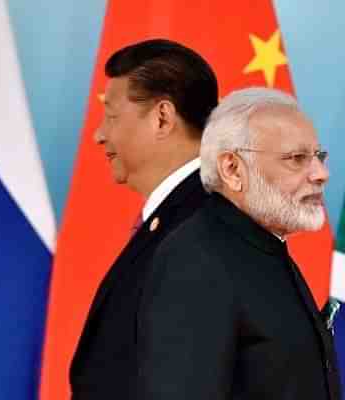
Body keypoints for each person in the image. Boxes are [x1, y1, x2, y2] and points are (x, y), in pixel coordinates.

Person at [136, 87, 342, 399]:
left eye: (318, 156)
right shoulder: (196, 260)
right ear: (232, 169)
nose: (321, 173)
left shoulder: (261, 246)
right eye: (297, 158)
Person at [69, 39, 218, 400]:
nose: (99, 133)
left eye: (112, 115)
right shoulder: (181, 218)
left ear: (163, 117)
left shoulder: (202, 230)